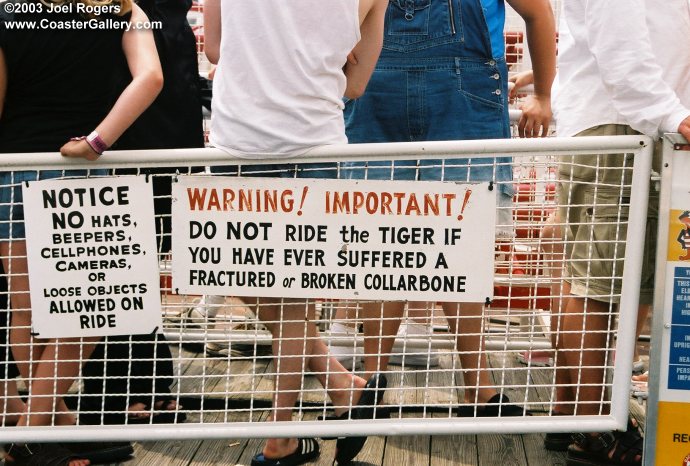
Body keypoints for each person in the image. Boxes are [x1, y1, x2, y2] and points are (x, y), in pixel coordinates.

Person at [335, 0, 556, 416]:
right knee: (385, 250)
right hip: (431, 95)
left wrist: (545, 93)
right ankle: (378, 384)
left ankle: (465, 385)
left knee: (453, 251)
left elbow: (538, 12)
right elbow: (539, 12)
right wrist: (542, 91)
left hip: (412, 94)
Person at [203, 1, 388, 465]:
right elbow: (358, 84)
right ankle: (337, 386)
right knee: (295, 300)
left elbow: (216, 48)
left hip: (237, 141)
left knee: (241, 277)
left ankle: (283, 435)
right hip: (315, 140)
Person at [0, 0, 163, 463]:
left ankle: (37, 430)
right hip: (85, 174)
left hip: (14, 167)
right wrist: (97, 141)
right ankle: (50, 426)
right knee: (83, 311)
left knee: (27, 308)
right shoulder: (127, 9)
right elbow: (150, 78)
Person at [549, 1, 690, 464]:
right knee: (602, 287)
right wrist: (674, 116)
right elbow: (621, 48)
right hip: (621, 125)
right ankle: (595, 430)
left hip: (632, 124)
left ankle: (575, 416)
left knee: (609, 282)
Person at [79, 0, 205, 426]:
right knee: (121, 275)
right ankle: (133, 389)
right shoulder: (133, 12)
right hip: (135, 145)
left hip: (147, 147)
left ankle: (131, 389)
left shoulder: (149, 12)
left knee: (125, 275)